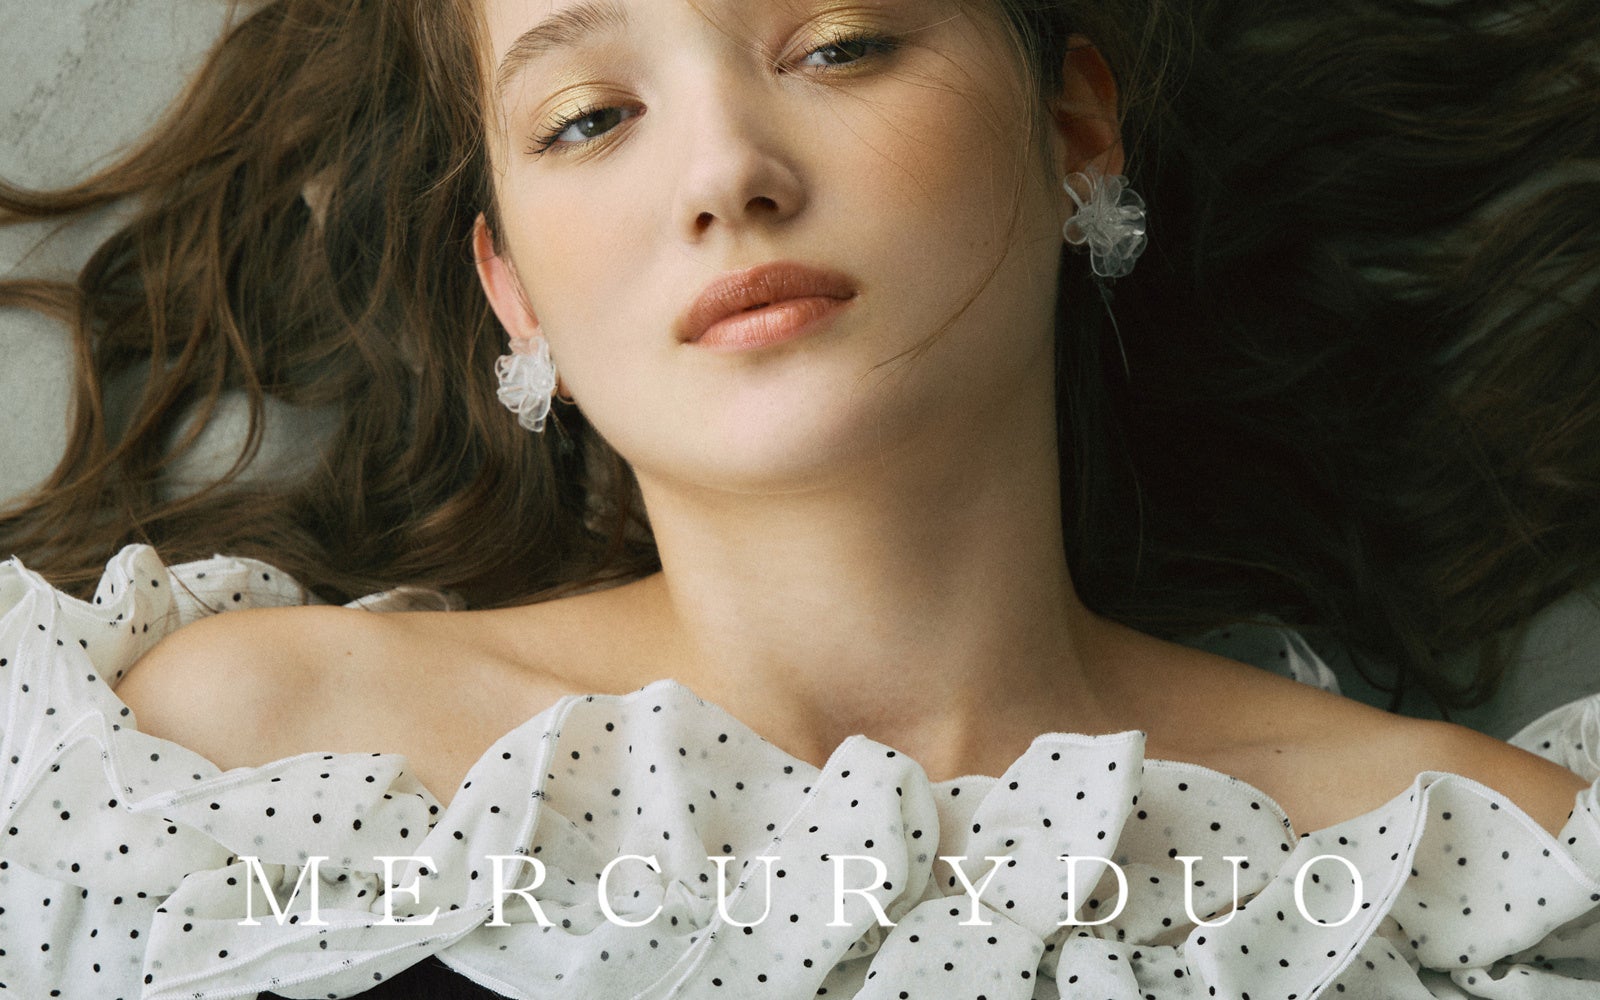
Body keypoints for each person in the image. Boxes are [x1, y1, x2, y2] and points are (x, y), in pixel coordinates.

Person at [1, 0, 1598, 997]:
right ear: (514, 295)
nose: (726, 176)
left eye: (837, 44)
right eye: (590, 118)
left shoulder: (1478, 876)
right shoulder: (225, 765)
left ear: (1073, 130)